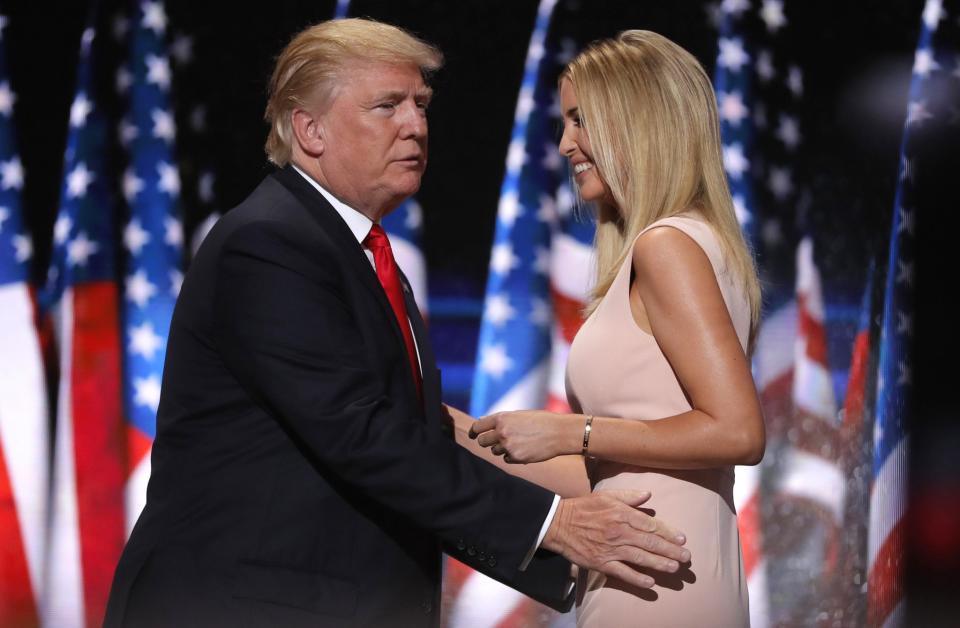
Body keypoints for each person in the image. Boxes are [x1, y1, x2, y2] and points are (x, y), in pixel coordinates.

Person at [102, 19, 692, 628]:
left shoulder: (363, 257)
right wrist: (553, 525)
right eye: (387, 106)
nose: (415, 125)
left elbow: (409, 434)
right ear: (310, 130)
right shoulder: (268, 245)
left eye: (420, 104)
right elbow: (364, 437)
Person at [460, 30, 766, 627]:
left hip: (661, 583)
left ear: (638, 121)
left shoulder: (668, 247)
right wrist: (460, 432)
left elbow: (737, 431)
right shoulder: (688, 243)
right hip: (650, 570)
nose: (566, 142)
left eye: (581, 120)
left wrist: (574, 429)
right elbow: (605, 472)